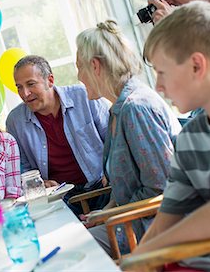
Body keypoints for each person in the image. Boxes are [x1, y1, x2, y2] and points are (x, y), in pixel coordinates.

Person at [131, 1, 210, 271]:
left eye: (162, 72)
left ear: (196, 65)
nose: (158, 86)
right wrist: (138, 260)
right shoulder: (190, 136)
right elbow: (164, 221)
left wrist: (148, 253)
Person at [75, 20, 181, 256]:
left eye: (79, 67)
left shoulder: (136, 108)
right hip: (133, 218)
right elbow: (126, 185)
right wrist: (106, 211)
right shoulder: (118, 108)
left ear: (95, 66)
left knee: (75, 253)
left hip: (157, 226)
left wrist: (110, 216)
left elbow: (161, 188)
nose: (78, 76)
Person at [6, 55, 111, 215]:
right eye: (19, 87)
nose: (25, 93)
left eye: (31, 84)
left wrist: (110, 171)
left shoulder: (85, 97)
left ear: (50, 80)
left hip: (103, 186)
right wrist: (41, 184)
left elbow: (114, 139)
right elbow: (23, 168)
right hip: (60, 197)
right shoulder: (15, 121)